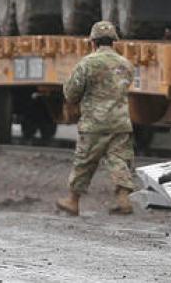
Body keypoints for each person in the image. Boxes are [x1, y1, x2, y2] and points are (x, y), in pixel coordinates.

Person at [56, 21, 136, 217]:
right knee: (119, 160)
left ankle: (73, 201)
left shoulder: (87, 63)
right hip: (120, 122)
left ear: (92, 42)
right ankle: (123, 199)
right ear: (114, 42)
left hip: (94, 123)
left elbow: (71, 93)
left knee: (84, 162)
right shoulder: (126, 64)